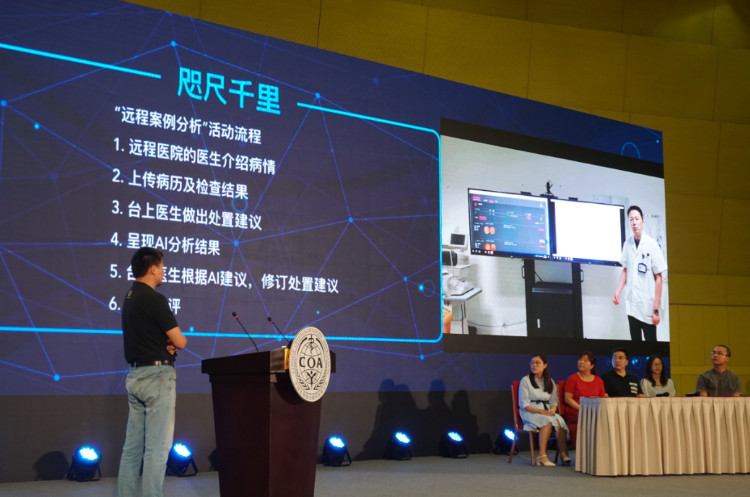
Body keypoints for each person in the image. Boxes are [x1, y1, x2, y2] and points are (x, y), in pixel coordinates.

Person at [117, 248, 187, 497]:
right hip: (157, 377)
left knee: (132, 449)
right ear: (153, 269)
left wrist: (163, 342)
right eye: (162, 267)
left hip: (135, 376)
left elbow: (147, 334)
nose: (164, 271)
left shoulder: (129, 297)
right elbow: (180, 341)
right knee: (157, 449)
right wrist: (171, 343)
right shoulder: (155, 299)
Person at [613, 205, 667, 342]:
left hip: (647, 306)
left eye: (636, 219)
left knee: (651, 346)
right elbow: (626, 269)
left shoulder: (651, 244)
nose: (634, 222)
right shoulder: (628, 244)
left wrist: (656, 308)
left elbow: (659, 277)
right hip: (632, 306)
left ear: (643, 221)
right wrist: (618, 291)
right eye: (631, 219)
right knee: (636, 345)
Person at [519, 354, 570, 466]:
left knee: (559, 421)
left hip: (546, 411)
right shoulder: (525, 380)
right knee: (547, 421)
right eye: (532, 363)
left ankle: (563, 453)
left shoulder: (550, 381)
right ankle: (542, 456)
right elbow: (524, 404)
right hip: (530, 411)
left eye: (538, 363)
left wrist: (552, 410)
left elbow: (553, 402)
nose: (534, 365)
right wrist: (540, 411)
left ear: (545, 365)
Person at [563, 351, 606, 446]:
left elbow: (602, 399)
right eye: (580, 359)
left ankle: (601, 448)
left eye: (585, 360)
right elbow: (568, 399)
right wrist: (583, 409)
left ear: (592, 365)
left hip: (594, 411)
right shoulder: (573, 378)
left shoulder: (599, 381)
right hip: (577, 410)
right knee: (592, 418)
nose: (581, 362)